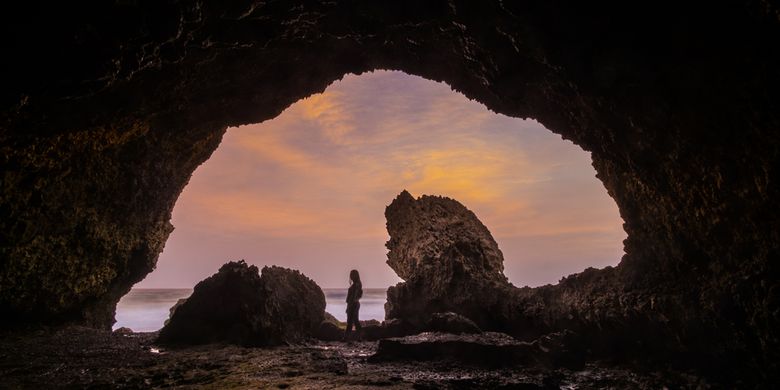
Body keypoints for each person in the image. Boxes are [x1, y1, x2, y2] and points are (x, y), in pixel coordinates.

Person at [344, 269, 363, 340]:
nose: (351, 276)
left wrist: (349, 306)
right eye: (351, 274)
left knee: (350, 321)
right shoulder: (357, 284)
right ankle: (359, 337)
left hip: (353, 304)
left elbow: (353, 297)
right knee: (355, 321)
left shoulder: (356, 285)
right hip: (355, 304)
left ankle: (346, 337)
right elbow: (357, 296)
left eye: (352, 275)